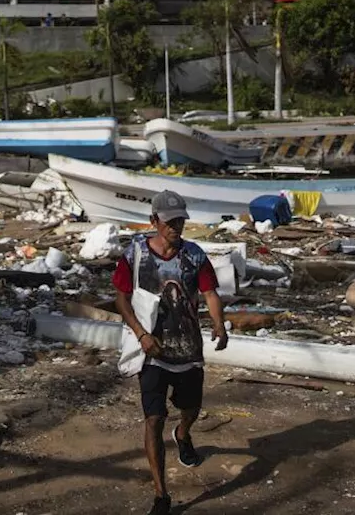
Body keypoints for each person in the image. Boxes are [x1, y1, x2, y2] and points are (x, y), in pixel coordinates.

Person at [113, 190, 228, 515]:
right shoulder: (134, 253)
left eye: (180, 221)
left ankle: (183, 433)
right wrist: (141, 334)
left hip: (188, 348)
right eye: (170, 221)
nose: (176, 227)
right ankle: (161, 495)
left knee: (191, 407)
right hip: (151, 349)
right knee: (153, 419)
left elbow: (209, 291)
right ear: (154, 221)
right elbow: (120, 298)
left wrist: (219, 324)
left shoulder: (194, 255)